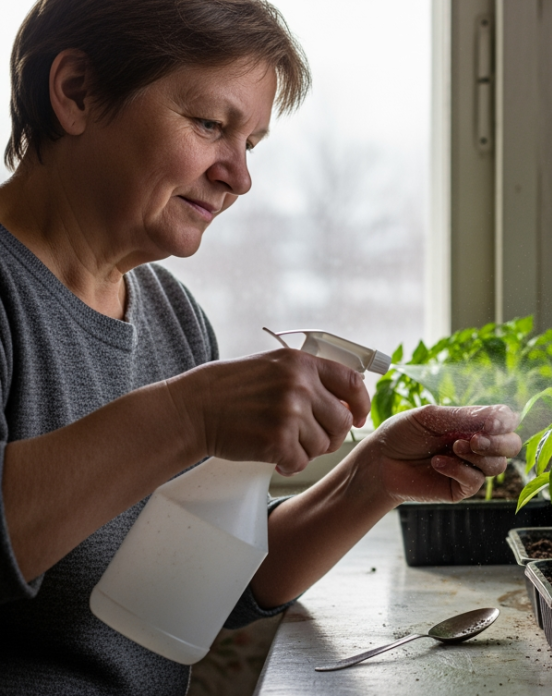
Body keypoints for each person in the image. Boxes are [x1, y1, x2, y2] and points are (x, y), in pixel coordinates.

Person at [0, 1, 522, 693]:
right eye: (210, 125)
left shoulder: (173, 316)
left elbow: (188, 582)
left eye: (251, 144)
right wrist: (190, 416)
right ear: (76, 92)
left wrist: (373, 477)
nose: (238, 177)